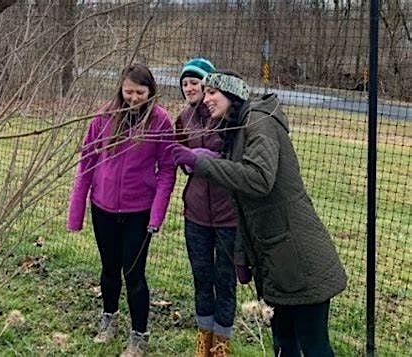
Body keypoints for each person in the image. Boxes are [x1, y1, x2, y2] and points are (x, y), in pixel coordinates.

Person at [168, 71, 347, 357]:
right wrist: (242, 256)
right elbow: (243, 205)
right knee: (283, 343)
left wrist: (200, 162)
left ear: (232, 95)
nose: (206, 99)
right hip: (274, 259)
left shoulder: (258, 121)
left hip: (297, 256)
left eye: (213, 92)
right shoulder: (236, 129)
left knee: (313, 346)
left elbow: (259, 178)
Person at [67, 63, 176, 357]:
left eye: (140, 92)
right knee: (108, 269)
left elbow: (167, 171)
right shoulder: (104, 117)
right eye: (128, 92)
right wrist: (76, 212)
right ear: (120, 89)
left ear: (150, 91)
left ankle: (139, 336)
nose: (134, 98)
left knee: (134, 274)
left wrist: (156, 215)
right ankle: (109, 318)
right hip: (102, 208)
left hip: (138, 212)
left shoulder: (160, 122)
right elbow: (87, 162)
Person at [175, 58, 237, 357]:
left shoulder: (225, 116)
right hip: (196, 212)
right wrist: (186, 162)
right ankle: (204, 341)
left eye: (195, 83)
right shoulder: (183, 118)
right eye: (185, 84)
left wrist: (202, 159)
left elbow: (236, 160)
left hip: (227, 214)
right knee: (202, 277)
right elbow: (176, 151)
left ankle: (221, 345)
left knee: (224, 279)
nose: (190, 88)